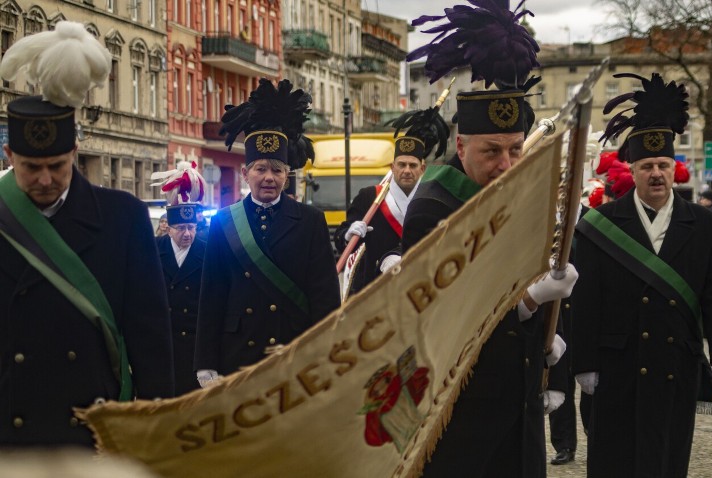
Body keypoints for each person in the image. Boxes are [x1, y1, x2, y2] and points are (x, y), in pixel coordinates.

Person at [404, 1, 577, 476]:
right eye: (491, 151)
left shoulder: (522, 201)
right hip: (460, 411)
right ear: (461, 147)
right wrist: (526, 303)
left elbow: (546, 299)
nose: (505, 164)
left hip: (519, 399)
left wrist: (552, 341)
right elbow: (444, 322)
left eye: (516, 150)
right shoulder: (433, 208)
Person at [0, 22, 173, 447]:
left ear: (74, 154)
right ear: (9, 156)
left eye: (57, 166)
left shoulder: (124, 219)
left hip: (93, 435)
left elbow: (150, 338)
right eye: (30, 168)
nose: (44, 179)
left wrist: (155, 431)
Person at [571, 72, 712, 478]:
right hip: (617, 365)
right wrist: (584, 362)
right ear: (633, 170)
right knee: (614, 458)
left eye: (664, 165)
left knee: (666, 457)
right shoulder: (600, 224)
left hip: (674, 363)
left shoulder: (704, 225)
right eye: (647, 166)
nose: (656, 174)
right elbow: (586, 297)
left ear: (675, 168)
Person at [194, 78, 340, 387]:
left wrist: (325, 353)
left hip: (294, 353)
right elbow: (211, 298)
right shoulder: (223, 222)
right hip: (237, 356)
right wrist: (205, 363)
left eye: (277, 169)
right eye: (260, 169)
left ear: (288, 175)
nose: (268, 177)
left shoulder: (311, 220)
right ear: (246, 173)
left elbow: (325, 297)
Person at [334, 101, 449, 295]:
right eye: (401, 165)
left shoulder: (432, 200)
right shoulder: (369, 197)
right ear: (392, 167)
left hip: (420, 291)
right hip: (373, 291)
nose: (406, 171)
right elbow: (340, 238)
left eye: (412, 166)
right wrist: (348, 233)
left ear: (422, 169)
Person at [151, 162, 208, 395]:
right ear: (169, 228)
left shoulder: (207, 252)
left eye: (192, 227)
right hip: (163, 346)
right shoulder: (153, 250)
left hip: (195, 347)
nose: (187, 234)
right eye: (182, 228)